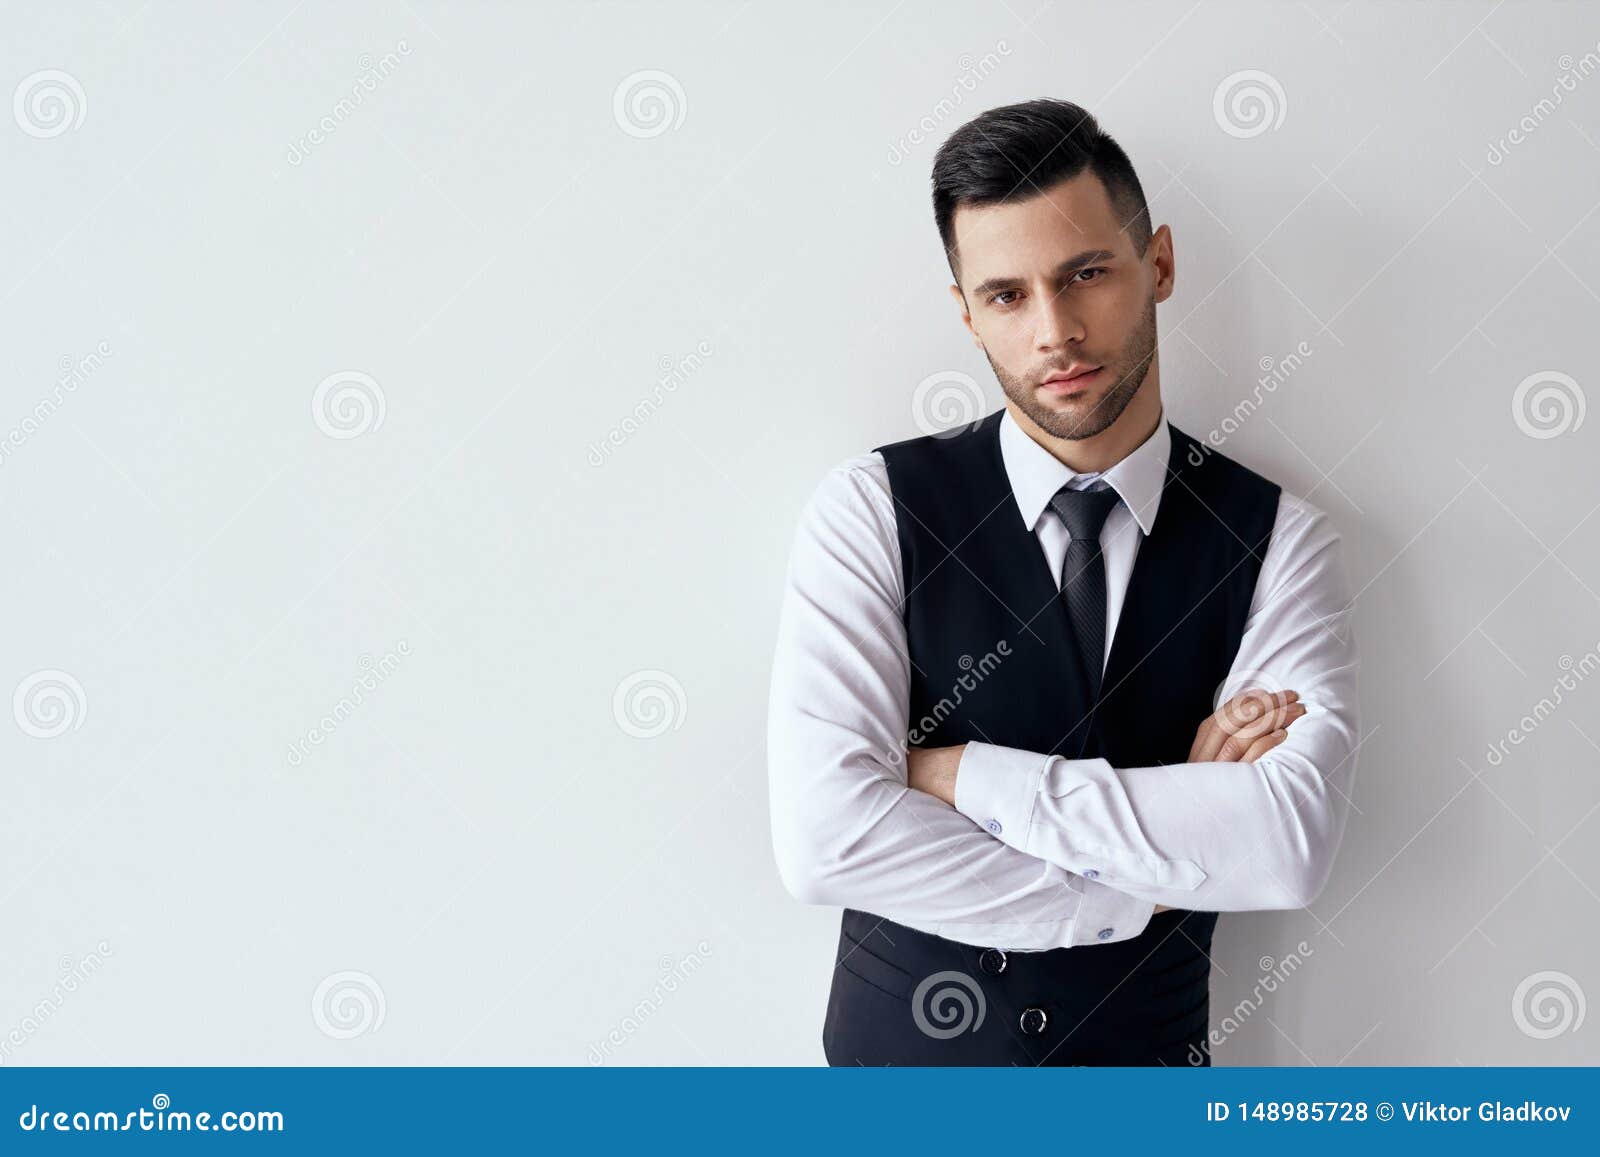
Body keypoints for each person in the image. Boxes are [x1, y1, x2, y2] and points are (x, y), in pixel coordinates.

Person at [766, 98, 1360, 1066]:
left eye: (1086, 274)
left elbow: (1284, 844)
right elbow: (828, 841)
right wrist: (1157, 869)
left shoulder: (1279, 538)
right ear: (965, 312)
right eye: (1007, 295)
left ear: (1157, 264)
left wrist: (960, 776)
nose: (1055, 331)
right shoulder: (869, 507)